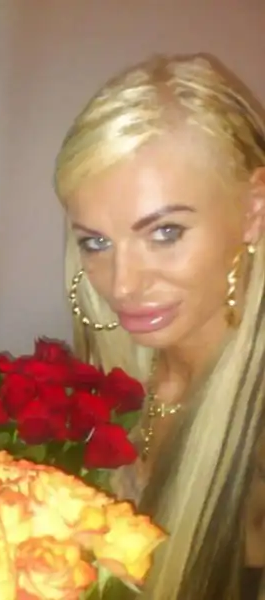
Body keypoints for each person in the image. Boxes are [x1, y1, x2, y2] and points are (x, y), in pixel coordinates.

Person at [54, 53, 265, 599]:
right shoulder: (114, 381)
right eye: (96, 242)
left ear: (253, 210)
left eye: (165, 232)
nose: (122, 285)